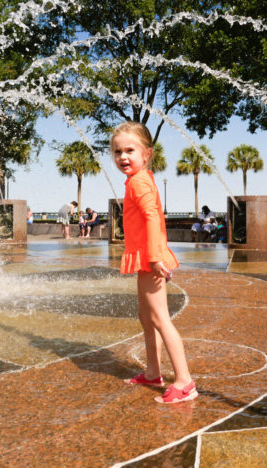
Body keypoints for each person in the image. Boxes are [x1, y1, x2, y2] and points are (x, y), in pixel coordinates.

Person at [112, 121, 196, 404]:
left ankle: (184, 382)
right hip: (146, 255)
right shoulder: (138, 179)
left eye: (129, 150)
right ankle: (153, 372)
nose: (123, 157)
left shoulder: (138, 181)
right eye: (117, 152)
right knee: (146, 318)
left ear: (146, 154)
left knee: (160, 319)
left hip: (151, 257)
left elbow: (152, 218)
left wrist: (156, 257)